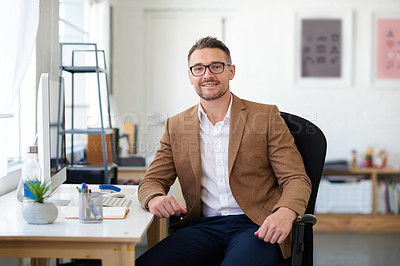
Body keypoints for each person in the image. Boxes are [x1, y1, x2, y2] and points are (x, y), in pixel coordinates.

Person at [136, 36, 311, 266]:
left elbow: (296, 178)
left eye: (216, 66)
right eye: (198, 68)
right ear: (190, 76)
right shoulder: (176, 126)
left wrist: (286, 211)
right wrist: (154, 198)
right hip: (203, 227)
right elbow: (151, 180)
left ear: (231, 71)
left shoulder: (265, 116)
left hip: (256, 225)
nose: (207, 75)